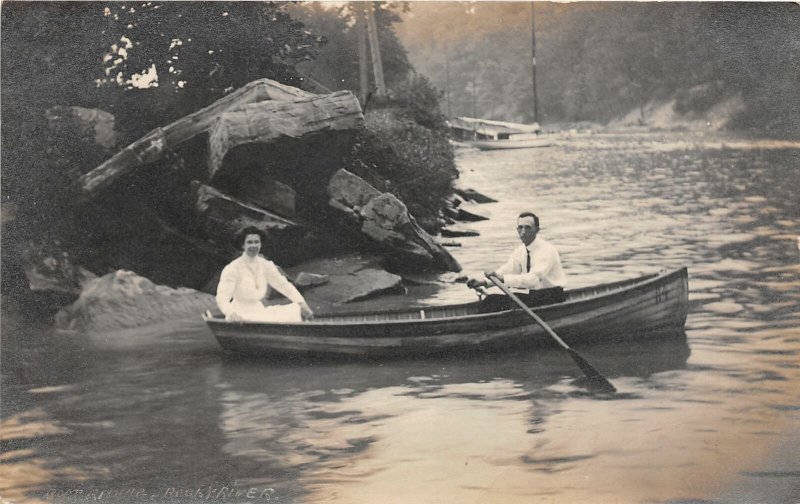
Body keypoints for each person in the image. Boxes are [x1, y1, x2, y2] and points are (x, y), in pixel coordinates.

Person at [468, 212, 567, 308]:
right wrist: (483, 282)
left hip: (553, 296)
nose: (523, 232)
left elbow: (533, 280)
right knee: (491, 300)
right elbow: (508, 270)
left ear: (537, 230)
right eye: (520, 228)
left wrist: (502, 278)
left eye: (527, 227)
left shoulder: (546, 250)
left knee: (495, 301)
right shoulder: (520, 251)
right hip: (535, 296)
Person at [216, 226, 313, 323]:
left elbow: (284, 285)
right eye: (249, 242)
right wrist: (231, 313)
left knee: (295, 309)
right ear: (243, 245)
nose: (254, 246)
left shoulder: (266, 265)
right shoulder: (232, 268)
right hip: (240, 314)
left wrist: (302, 303)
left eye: (256, 242)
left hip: (259, 311)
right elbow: (222, 297)